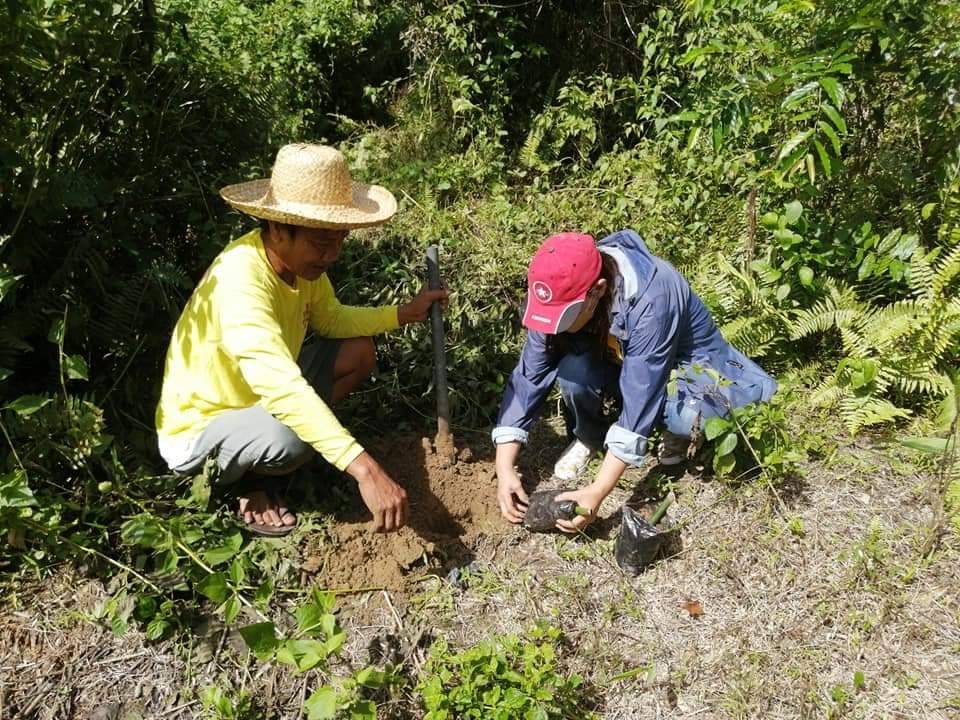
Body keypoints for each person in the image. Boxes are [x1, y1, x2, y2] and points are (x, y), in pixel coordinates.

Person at [155, 144, 448, 536]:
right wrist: (366, 470)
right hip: (201, 429)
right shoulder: (242, 280)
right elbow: (281, 387)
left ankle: (278, 452)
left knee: (359, 352)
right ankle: (252, 481)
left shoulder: (300, 267)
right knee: (290, 436)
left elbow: (331, 319)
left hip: (258, 399)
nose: (332, 255)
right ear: (278, 229)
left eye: (340, 240)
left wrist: (402, 314)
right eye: (321, 243)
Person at [493, 231, 777, 532]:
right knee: (574, 373)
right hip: (620, 358)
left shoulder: (652, 297)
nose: (555, 327)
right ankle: (590, 437)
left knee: (686, 416)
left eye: (563, 318)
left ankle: (675, 431)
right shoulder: (558, 291)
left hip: (683, 365)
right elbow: (529, 376)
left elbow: (643, 392)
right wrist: (504, 466)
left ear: (598, 290)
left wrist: (597, 491)